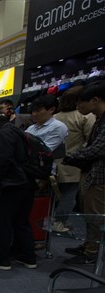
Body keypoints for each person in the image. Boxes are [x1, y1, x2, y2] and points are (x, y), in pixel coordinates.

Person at [0, 109, 37, 270]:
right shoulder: (16, 131)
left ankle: (1, 259)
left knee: (3, 223)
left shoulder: (1, 135)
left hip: (10, 184)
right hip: (26, 182)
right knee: (22, 222)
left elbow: (3, 160)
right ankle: (28, 257)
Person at [61, 82, 105, 265]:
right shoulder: (99, 119)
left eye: (81, 103)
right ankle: (89, 245)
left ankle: (92, 252)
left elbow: (98, 148)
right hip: (91, 173)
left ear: (95, 100)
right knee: (88, 212)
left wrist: (74, 156)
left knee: (95, 215)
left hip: (100, 176)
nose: (78, 107)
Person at [53, 86, 96, 231]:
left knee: (57, 195)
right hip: (75, 164)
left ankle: (55, 221)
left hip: (56, 162)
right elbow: (90, 140)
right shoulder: (85, 117)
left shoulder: (55, 117)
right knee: (69, 195)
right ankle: (59, 223)